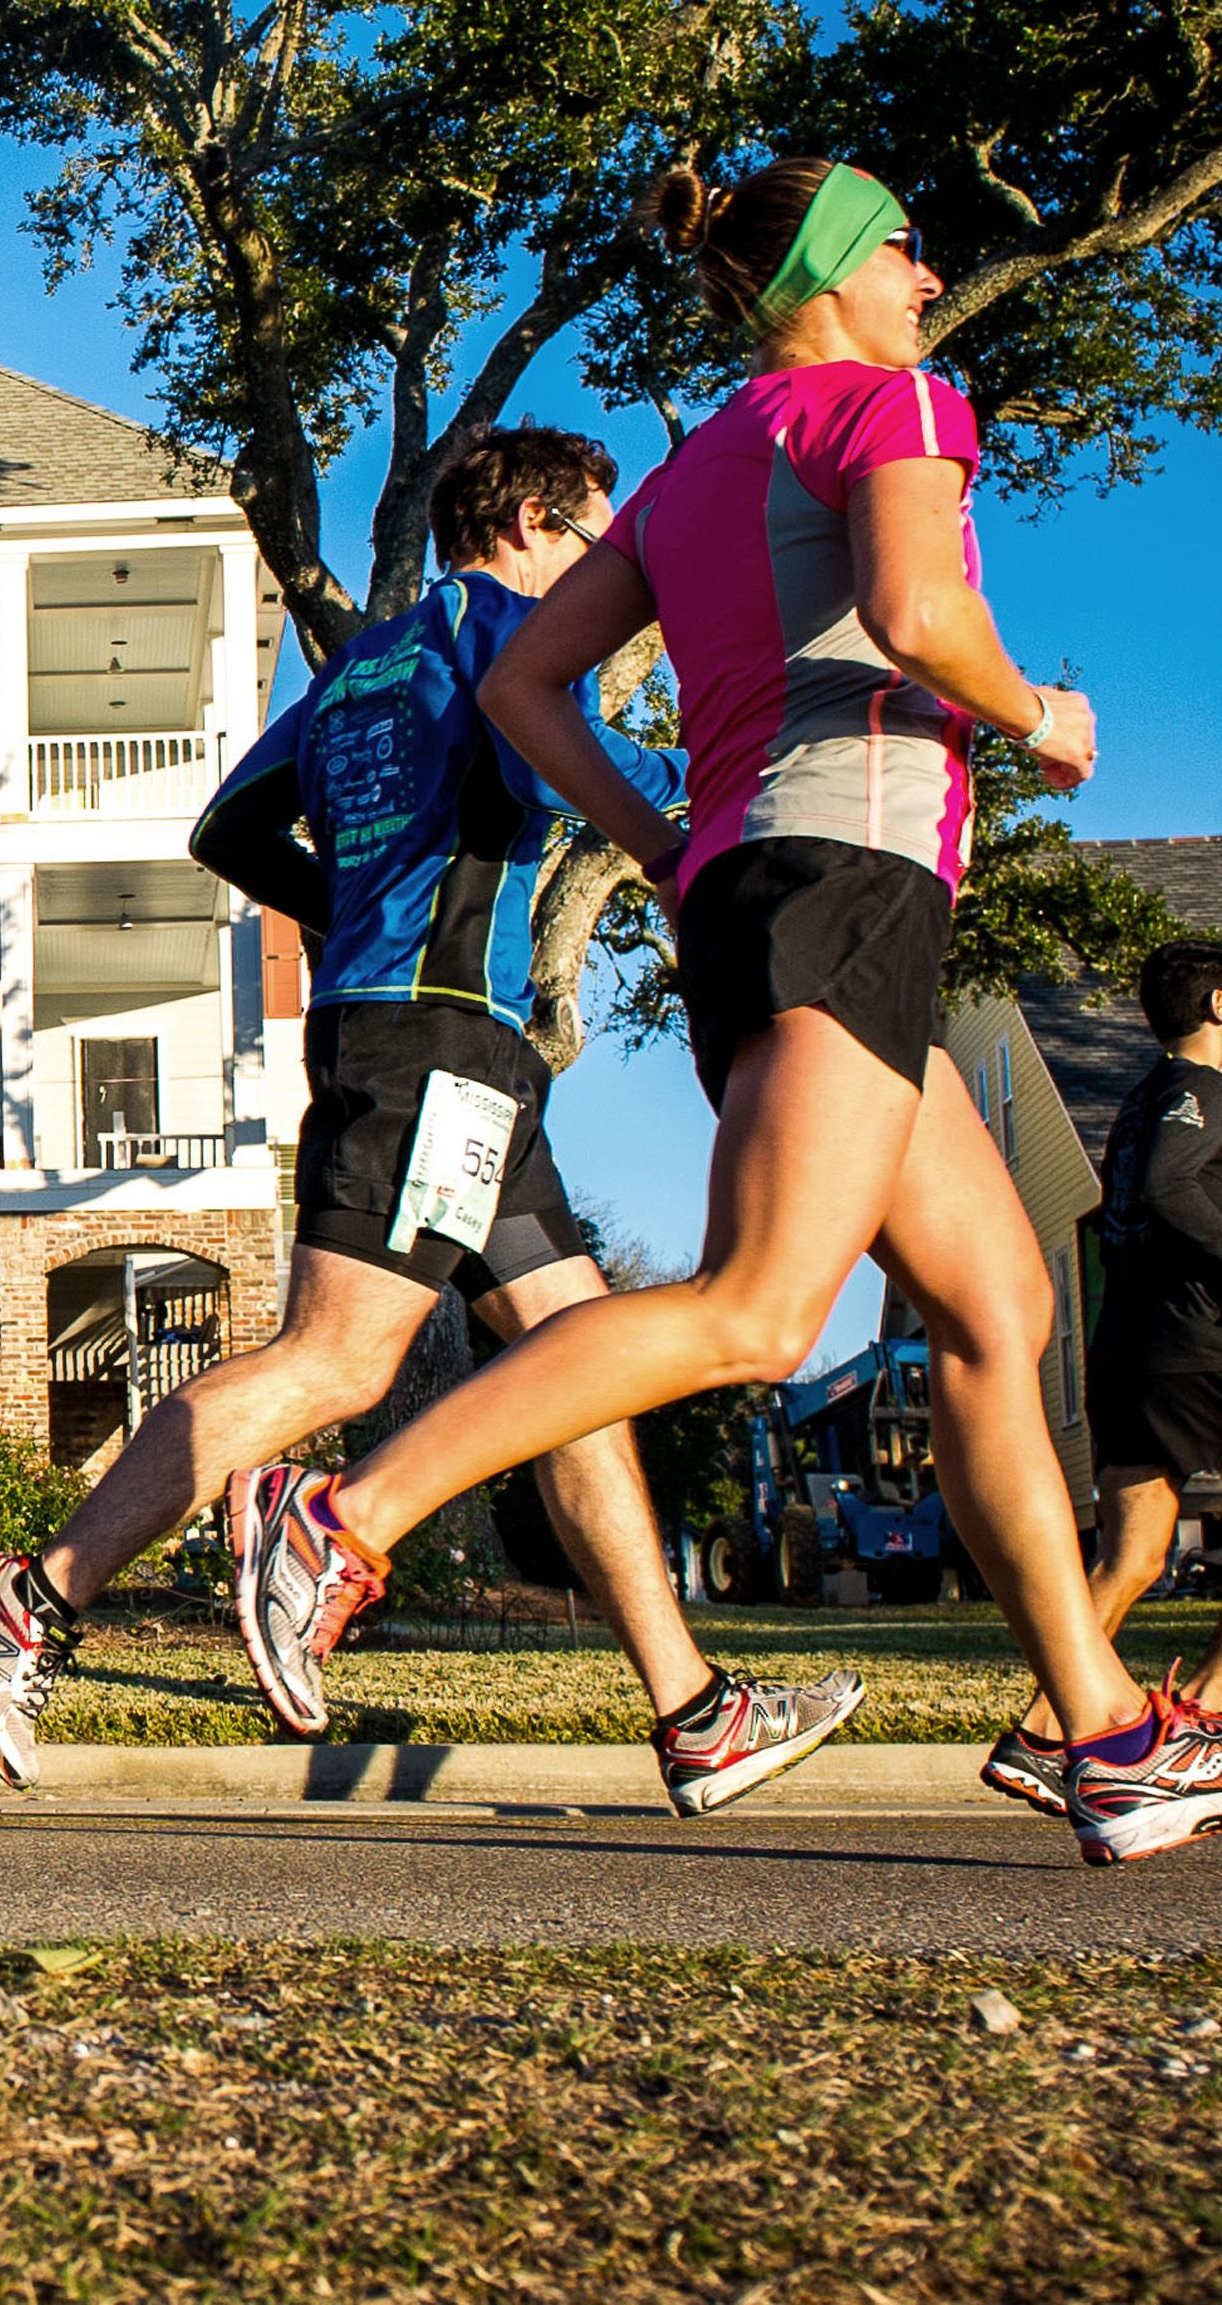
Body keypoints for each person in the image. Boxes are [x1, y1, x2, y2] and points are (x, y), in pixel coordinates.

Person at [226, 156, 1222, 1866]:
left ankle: (1103, 1727)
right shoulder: (894, 402)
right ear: (841, 275)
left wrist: (669, 845)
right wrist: (1036, 712)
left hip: (775, 898)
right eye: (911, 245)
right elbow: (917, 615)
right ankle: (344, 1514)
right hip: (848, 888)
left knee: (995, 1311)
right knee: (762, 1312)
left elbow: (533, 687)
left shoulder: (692, 469)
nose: (932, 273)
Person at [0, 425, 863, 1812]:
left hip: (427, 1034)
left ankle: (692, 1712)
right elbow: (590, 777)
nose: (622, 576)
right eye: (605, 543)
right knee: (339, 1361)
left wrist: (354, 924)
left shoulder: (364, 661)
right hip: (442, 1045)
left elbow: (230, 832)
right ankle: (39, 1591)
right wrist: (743, 795)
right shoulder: (509, 644)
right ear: (540, 524)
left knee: (577, 1368)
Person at [984, 938, 1222, 1815]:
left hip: (1127, 1348)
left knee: (1133, 1555)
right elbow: (1169, 1189)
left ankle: (1047, 1734)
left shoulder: (1143, 1099)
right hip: (1196, 1346)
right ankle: (1202, 1721)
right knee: (1132, 1553)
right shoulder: (1201, 1093)